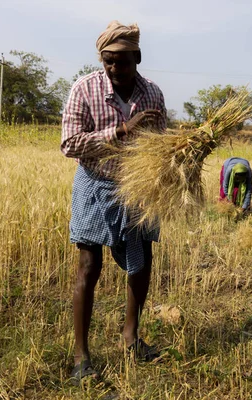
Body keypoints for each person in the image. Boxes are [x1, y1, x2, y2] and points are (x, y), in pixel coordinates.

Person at [61, 21, 166, 382]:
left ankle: (131, 337)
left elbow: (159, 145)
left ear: (137, 57)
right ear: (101, 59)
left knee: (142, 264)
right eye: (109, 61)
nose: (115, 68)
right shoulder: (84, 89)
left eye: (123, 60)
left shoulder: (152, 94)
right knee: (89, 267)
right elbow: (70, 144)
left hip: (138, 191)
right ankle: (81, 356)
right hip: (94, 186)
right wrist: (122, 130)